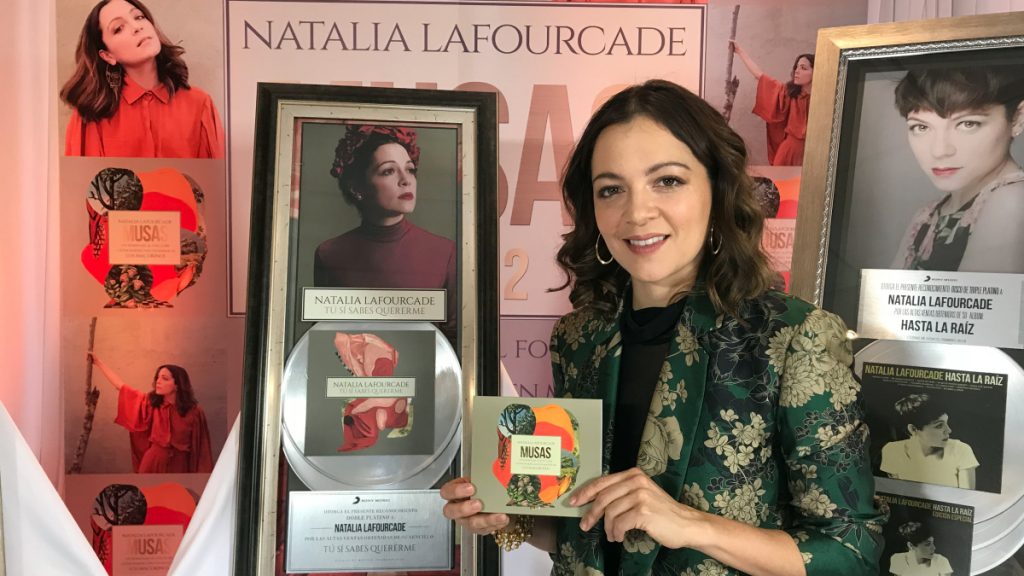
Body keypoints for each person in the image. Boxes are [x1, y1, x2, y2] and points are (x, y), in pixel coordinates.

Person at [441, 79, 885, 574]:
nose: (637, 213)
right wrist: (509, 517)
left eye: (667, 181)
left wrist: (691, 525)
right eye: (611, 190)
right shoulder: (579, 338)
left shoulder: (793, 338)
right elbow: (585, 531)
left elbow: (851, 553)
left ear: (717, 190)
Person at [314, 125, 458, 339]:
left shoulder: (445, 252)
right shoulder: (329, 254)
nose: (406, 180)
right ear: (356, 188)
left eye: (410, 169)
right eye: (388, 171)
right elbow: (327, 339)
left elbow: (456, 342)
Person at [890, 66, 1024, 272]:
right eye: (921, 127)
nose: (939, 151)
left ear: (1017, 119)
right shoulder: (927, 215)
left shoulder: (1013, 200)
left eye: (968, 124)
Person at [60, 0, 224, 158]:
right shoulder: (91, 114)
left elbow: (213, 176)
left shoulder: (200, 104)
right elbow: (84, 177)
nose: (137, 27)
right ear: (108, 55)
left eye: (139, 17)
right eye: (119, 28)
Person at [89, 353, 213, 473]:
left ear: (177, 385)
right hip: (153, 463)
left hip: (180, 466)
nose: (158, 381)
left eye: (164, 379)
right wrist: (98, 363)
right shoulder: (151, 404)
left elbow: (202, 449)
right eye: (157, 377)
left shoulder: (194, 412)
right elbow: (121, 386)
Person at [731, 43, 813, 166]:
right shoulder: (788, 93)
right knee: (780, 178)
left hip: (812, 152)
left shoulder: (824, 100)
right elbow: (760, 76)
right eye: (796, 67)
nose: (797, 71)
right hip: (789, 151)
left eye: (803, 68)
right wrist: (740, 52)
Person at [880, 393, 977, 489]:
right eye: (939, 425)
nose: (949, 430)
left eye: (946, 423)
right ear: (913, 429)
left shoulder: (961, 450)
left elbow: (966, 496)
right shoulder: (892, 451)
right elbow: (897, 493)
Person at [889, 521, 954, 576]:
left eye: (933, 543)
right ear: (911, 545)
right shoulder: (898, 559)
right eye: (928, 544)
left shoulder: (941, 561)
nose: (934, 548)